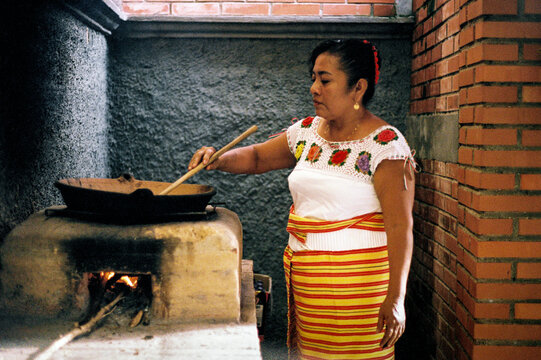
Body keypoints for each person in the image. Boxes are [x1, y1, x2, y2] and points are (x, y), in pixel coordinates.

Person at [189, 39, 415, 360]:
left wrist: (395, 299)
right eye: (313, 78)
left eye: (325, 80)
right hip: (310, 290)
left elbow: (400, 227)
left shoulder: (386, 147)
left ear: (358, 88)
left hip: (360, 295)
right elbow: (255, 158)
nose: (314, 88)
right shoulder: (308, 132)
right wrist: (219, 159)